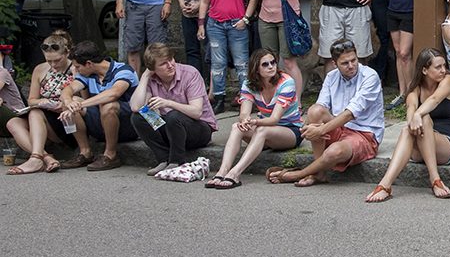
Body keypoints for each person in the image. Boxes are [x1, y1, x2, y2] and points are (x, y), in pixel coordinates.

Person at [267, 39, 384, 186]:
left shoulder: (370, 76)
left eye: (353, 60)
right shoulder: (331, 76)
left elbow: (349, 114)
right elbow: (320, 106)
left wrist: (320, 130)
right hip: (338, 127)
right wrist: (309, 127)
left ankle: (299, 174)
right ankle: (319, 173)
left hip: (365, 134)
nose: (351, 66)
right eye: (345, 63)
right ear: (335, 64)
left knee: (333, 152)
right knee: (315, 111)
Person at [365, 47, 450, 201]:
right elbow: (410, 108)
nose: (443, 70)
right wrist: (413, 116)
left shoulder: (447, 81)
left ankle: (435, 179)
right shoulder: (415, 87)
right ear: (424, 70)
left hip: (448, 145)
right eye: (438, 67)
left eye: (444, 66)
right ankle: (385, 185)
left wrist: (418, 114)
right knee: (407, 129)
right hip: (420, 146)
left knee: (424, 118)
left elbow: (434, 100)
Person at [206, 48, 303, 189]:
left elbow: (274, 119)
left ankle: (235, 173)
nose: (271, 66)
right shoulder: (249, 84)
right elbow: (244, 113)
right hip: (265, 130)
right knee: (236, 127)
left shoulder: (286, 82)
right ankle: (222, 171)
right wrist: (245, 121)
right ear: (256, 69)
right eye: (265, 64)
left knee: (262, 130)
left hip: (291, 130)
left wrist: (255, 121)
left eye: (273, 62)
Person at [129, 43, 217, 176]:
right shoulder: (151, 78)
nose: (170, 65)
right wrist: (145, 77)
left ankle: (177, 161)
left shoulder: (190, 73)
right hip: (171, 129)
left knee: (173, 115)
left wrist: (169, 103)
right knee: (139, 117)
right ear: (153, 69)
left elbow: (197, 112)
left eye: (171, 59)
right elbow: (136, 107)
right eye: (163, 64)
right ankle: (163, 159)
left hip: (199, 129)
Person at [197, 0, 259, 113]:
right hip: (215, 24)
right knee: (217, 64)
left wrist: (246, 18)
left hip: (237, 23)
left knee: (242, 63)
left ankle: (247, 98)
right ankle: (219, 98)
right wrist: (201, 24)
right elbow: (205, 1)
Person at [57, 41, 140, 171]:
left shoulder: (124, 70)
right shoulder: (88, 74)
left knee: (108, 105)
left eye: (78, 67)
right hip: (101, 123)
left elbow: (114, 93)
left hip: (129, 125)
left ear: (89, 64)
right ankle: (85, 152)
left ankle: (111, 155)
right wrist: (68, 102)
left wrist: (80, 104)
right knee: (70, 103)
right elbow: (68, 89)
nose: (76, 70)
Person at [5, 31, 75, 174]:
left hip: (67, 121)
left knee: (35, 112)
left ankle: (36, 158)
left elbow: (84, 100)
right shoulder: (40, 69)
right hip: (44, 116)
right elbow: (32, 100)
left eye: (57, 60)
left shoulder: (76, 69)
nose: (53, 65)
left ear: (67, 53)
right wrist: (42, 101)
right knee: (13, 122)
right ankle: (46, 157)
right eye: (49, 61)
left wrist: (63, 104)